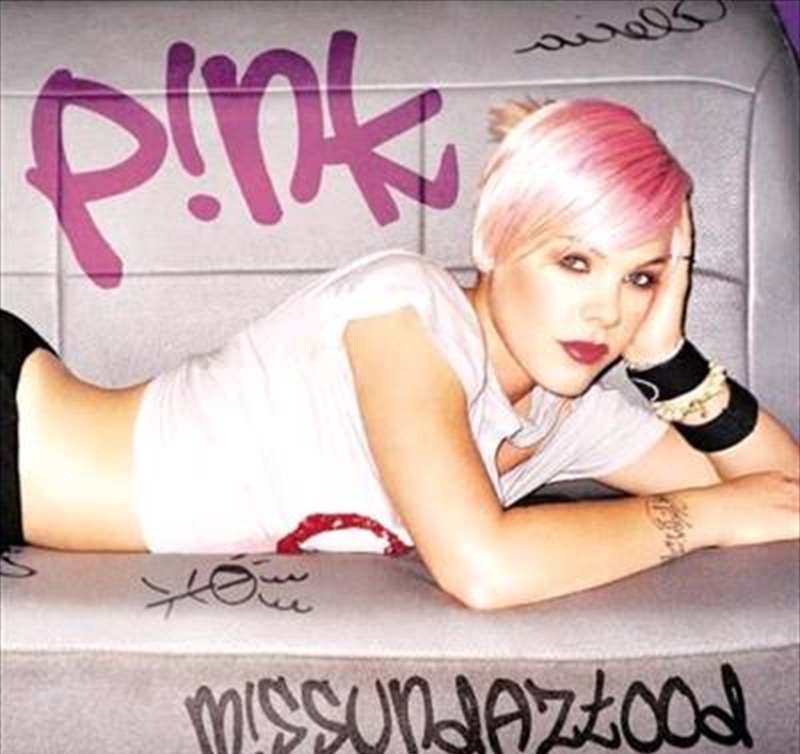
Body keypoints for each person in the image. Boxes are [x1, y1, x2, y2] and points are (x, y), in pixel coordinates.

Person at [1, 97, 798, 609]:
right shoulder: (407, 309)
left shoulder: (566, 415)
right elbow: (482, 567)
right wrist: (706, 517)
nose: (608, 310)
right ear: (496, 242)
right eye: (575, 262)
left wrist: (665, 358)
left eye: (640, 278)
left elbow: (783, 495)